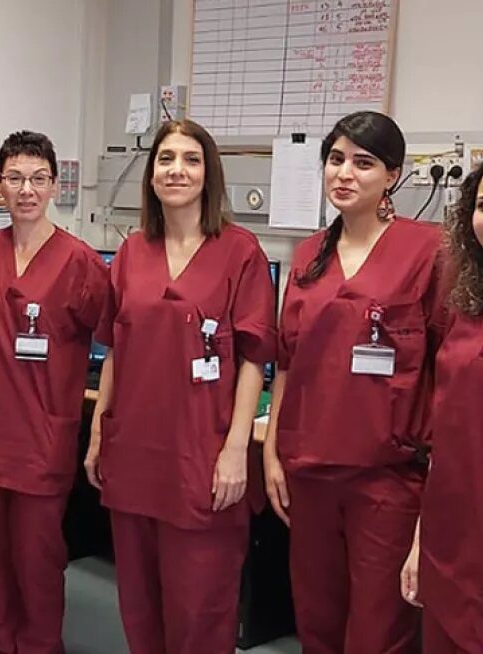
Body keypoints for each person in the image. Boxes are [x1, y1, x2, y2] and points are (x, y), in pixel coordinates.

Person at [85, 119, 277, 654]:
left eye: (191, 159)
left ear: (208, 174)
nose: (177, 170)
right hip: (135, 456)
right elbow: (117, 350)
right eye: (166, 159)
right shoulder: (130, 253)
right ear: (150, 177)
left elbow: (252, 359)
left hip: (201, 455)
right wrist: (100, 433)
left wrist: (237, 449)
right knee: (139, 607)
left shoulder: (240, 253)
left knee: (200, 612)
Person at [263, 111, 443, 654]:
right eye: (335, 160)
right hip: (310, 473)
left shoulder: (429, 252)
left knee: (377, 631)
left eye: (363, 163)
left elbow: (447, 372)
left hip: (386, 481)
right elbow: (290, 363)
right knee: (316, 623)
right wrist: (272, 452)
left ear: (392, 175)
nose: (344, 173)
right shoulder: (308, 256)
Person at [0, 131, 108, 654]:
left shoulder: (81, 262)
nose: (26, 189)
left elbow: (116, 342)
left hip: (41, 439)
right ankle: (1, 644)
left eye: (38, 179)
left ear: (54, 186)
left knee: (37, 563)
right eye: (14, 178)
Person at [400, 163, 483, 653]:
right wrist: (419, 541)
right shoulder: (465, 307)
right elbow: (445, 445)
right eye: (481, 205)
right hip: (451, 545)